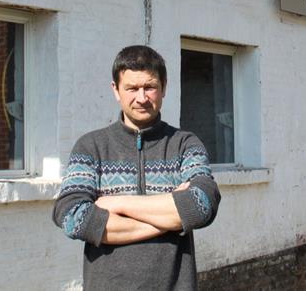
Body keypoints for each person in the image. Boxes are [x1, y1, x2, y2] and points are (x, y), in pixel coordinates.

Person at [53, 45, 221, 291]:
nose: (141, 98)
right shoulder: (91, 147)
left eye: (150, 87)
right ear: (116, 90)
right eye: (132, 88)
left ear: (164, 86)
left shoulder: (185, 144)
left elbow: (201, 206)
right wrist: (173, 213)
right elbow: (72, 217)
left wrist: (116, 204)